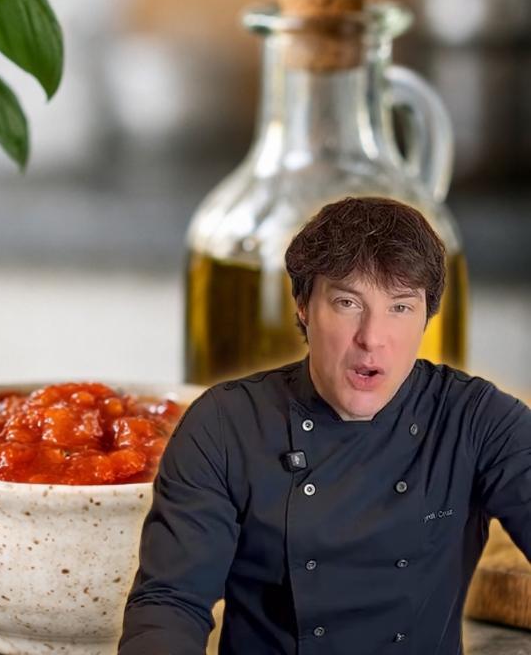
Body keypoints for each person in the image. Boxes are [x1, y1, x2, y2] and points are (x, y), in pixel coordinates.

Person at [119, 196, 531, 653]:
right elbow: (171, 603)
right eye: (347, 302)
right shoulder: (225, 424)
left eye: (400, 307)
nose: (371, 338)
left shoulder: (477, 421)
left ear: (425, 317)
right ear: (303, 306)